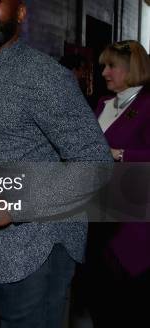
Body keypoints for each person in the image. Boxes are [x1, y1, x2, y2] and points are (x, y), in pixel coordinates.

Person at [0, 0, 112, 328]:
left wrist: (17, 206)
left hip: (35, 253)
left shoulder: (44, 77)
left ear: (21, 13)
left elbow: (96, 163)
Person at [84, 39, 150, 327]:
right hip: (98, 218)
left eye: (111, 66)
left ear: (131, 67)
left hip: (133, 225)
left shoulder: (148, 105)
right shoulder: (103, 103)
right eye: (104, 66)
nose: (104, 73)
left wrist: (121, 154)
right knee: (101, 301)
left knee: (131, 306)